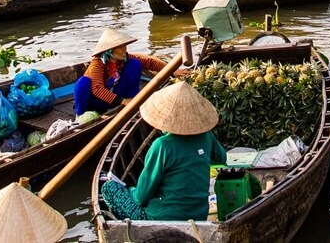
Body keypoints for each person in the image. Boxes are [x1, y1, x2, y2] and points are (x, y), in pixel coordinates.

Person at [101, 82, 226, 222]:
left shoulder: (162, 146)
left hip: (160, 217)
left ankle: (133, 227)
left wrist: (130, 190)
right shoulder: (206, 136)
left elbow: (140, 197)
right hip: (199, 215)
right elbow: (221, 158)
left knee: (109, 188)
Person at [74, 28, 169, 115]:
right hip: (95, 102)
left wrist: (172, 70)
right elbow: (97, 89)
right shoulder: (98, 63)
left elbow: (148, 62)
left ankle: (133, 100)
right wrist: (123, 101)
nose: (124, 50)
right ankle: (80, 116)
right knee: (83, 82)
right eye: (120, 47)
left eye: (124, 46)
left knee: (135, 63)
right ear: (109, 51)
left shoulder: (123, 59)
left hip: (114, 97)